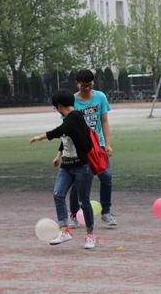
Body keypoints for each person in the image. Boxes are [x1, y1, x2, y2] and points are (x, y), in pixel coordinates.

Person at [30, 89, 96, 249]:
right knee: (58, 194)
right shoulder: (70, 120)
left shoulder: (76, 117)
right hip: (66, 166)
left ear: (59, 106)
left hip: (82, 167)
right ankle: (64, 230)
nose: (56, 110)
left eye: (55, 107)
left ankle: (90, 235)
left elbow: (60, 131)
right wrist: (58, 155)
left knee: (83, 202)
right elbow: (66, 136)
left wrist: (41, 137)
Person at [63, 69, 117, 229]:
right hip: (78, 147)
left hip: (97, 145)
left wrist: (107, 143)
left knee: (106, 176)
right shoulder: (71, 100)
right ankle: (73, 213)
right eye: (83, 85)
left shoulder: (100, 97)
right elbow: (67, 126)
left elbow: (104, 121)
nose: (86, 88)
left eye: (89, 84)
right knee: (78, 181)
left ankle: (106, 212)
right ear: (77, 84)